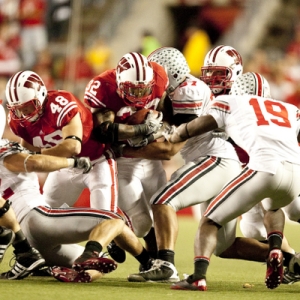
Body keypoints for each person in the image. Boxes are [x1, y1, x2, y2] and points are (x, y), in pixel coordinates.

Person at [123, 49, 296, 283]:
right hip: (266, 166)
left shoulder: (190, 93)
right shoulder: (284, 109)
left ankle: (168, 265)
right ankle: (291, 260)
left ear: (171, 74)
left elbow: (170, 148)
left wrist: (124, 149)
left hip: (220, 161)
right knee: (224, 246)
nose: (153, 82)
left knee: (164, 200)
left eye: (156, 75)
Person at [5, 70, 162, 261]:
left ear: (41, 96)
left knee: (108, 219)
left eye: (28, 107)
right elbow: (28, 152)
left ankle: (146, 260)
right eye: (18, 109)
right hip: (63, 168)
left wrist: (38, 157)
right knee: (47, 217)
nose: (23, 115)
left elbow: (73, 146)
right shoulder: (17, 121)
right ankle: (54, 256)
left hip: (96, 161)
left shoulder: (61, 103)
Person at [167, 72, 300, 291]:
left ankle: (198, 276)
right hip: (295, 172)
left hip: (263, 168)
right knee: (273, 205)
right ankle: (276, 248)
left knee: (210, 220)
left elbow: (192, 128)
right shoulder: (289, 109)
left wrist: (174, 134)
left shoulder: (230, 101)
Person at [0, 105, 157, 283]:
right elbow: (33, 162)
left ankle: (75, 271)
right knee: (114, 220)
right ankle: (144, 261)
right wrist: (70, 163)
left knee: (95, 267)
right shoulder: (6, 149)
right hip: (36, 219)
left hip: (25, 238)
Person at [84, 52, 168, 260]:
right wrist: (140, 130)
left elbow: (167, 112)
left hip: (149, 156)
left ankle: (160, 262)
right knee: (140, 223)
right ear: (119, 82)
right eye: (133, 89)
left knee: (162, 211)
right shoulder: (102, 87)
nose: (139, 96)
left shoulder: (159, 77)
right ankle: (115, 234)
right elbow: (102, 131)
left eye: (143, 89)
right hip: (120, 158)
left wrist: (160, 126)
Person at [0, 103, 45, 280]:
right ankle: (25, 250)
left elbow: (34, 162)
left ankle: (14, 242)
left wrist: (71, 163)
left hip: (29, 207)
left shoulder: (6, 149)